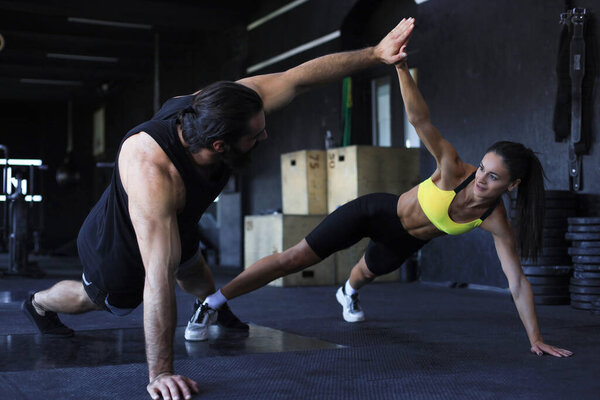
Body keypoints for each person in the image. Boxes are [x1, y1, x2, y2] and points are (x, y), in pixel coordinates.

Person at [21, 18, 416, 400]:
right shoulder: (152, 172)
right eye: (256, 135)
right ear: (220, 147)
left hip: (179, 218)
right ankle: (38, 303)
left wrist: (376, 54)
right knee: (104, 300)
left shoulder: (220, 107)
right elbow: (157, 278)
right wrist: (160, 372)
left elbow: (299, 78)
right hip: (119, 244)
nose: (265, 134)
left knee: (193, 268)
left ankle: (214, 306)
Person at [198, 49, 573, 362]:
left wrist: (534, 338)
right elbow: (419, 118)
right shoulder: (454, 169)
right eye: (484, 168)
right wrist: (399, 66)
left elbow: (517, 283)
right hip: (377, 213)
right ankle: (212, 302)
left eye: (493, 177)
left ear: (513, 185)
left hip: (404, 243)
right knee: (295, 258)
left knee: (362, 277)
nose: (481, 178)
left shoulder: (496, 220)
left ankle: (347, 291)